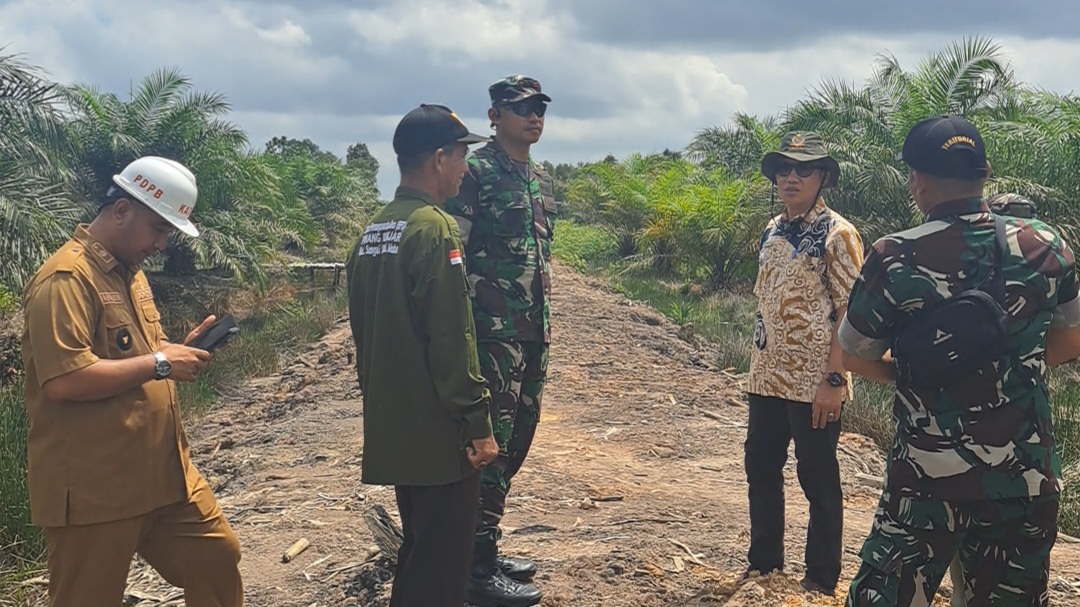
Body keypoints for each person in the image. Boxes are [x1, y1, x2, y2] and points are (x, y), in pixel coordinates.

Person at [839, 115, 1078, 607]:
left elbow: (852, 354)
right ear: (985, 173)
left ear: (917, 180)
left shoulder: (894, 256)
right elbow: (1072, 339)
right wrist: (1019, 365)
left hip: (924, 483)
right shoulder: (1046, 246)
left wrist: (906, 372)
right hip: (1024, 481)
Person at [20, 156, 243, 607]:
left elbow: (141, 353)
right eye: (158, 229)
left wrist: (179, 351)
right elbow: (64, 380)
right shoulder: (65, 279)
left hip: (164, 479)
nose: (161, 243)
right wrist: (161, 363)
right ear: (122, 210)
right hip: (95, 490)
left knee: (217, 558)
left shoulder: (132, 275)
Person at [345, 103, 499, 607]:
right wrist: (478, 421)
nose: (465, 168)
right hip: (439, 432)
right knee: (440, 571)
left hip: (396, 427)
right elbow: (452, 339)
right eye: (461, 156)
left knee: (419, 552)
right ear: (438, 159)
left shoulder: (372, 232)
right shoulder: (434, 228)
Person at [443, 75, 556, 607]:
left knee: (515, 444)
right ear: (494, 115)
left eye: (539, 108)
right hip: (491, 336)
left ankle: (482, 544)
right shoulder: (476, 172)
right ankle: (475, 570)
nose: (533, 116)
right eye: (521, 108)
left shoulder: (538, 178)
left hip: (532, 335)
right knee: (488, 446)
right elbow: (453, 254)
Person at [744, 131, 864, 597]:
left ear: (823, 177)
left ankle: (820, 577)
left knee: (816, 475)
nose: (791, 177)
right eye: (784, 169)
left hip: (815, 380)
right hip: (766, 374)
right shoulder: (772, 229)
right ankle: (764, 563)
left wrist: (834, 379)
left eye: (803, 169)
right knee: (760, 466)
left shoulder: (839, 233)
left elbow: (849, 311)